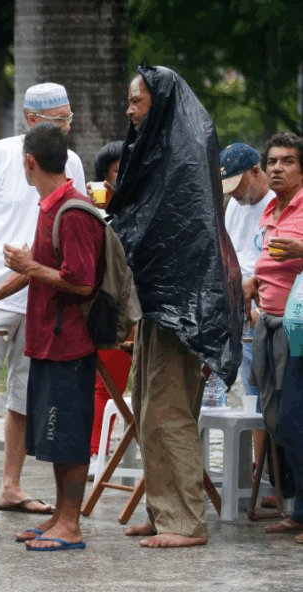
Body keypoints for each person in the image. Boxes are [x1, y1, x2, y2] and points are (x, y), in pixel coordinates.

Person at [108, 66, 243, 548]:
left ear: (159, 102)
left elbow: (176, 238)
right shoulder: (159, 152)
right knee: (148, 410)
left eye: (136, 102)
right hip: (159, 307)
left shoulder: (181, 157)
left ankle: (186, 521)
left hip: (182, 312)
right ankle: (163, 509)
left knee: (169, 414)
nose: (129, 111)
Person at [0, 122, 105, 550]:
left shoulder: (72, 210)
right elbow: (35, 267)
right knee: (53, 437)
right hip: (47, 340)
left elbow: (82, 281)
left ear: (28, 163)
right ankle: (59, 515)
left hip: (68, 342)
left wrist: (30, 267)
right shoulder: (49, 205)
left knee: (68, 436)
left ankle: (70, 524)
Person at [0, 83, 87, 515]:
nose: (67, 127)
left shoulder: (70, 161)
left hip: (40, 294)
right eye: (59, 120)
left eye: (69, 118)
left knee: (21, 396)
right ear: (31, 119)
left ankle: (10, 485)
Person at [245, 133, 303, 540]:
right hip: (265, 321)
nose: (278, 168)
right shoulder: (270, 208)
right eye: (272, 161)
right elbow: (268, 259)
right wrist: (253, 281)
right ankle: (295, 509)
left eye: (288, 161)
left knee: (293, 419)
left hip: (297, 327)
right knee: (274, 420)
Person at [220, 143, 277, 470]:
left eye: (239, 186)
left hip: (267, 306)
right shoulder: (235, 205)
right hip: (240, 308)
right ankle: (260, 465)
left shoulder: (275, 204)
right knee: (252, 389)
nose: (236, 195)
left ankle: (274, 468)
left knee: (272, 390)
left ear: (256, 171)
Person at [87, 141, 131, 470]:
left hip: (138, 314)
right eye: (118, 170)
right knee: (103, 387)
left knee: (115, 387)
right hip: (106, 310)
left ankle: (99, 456)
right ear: (105, 177)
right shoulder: (96, 213)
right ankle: (93, 455)